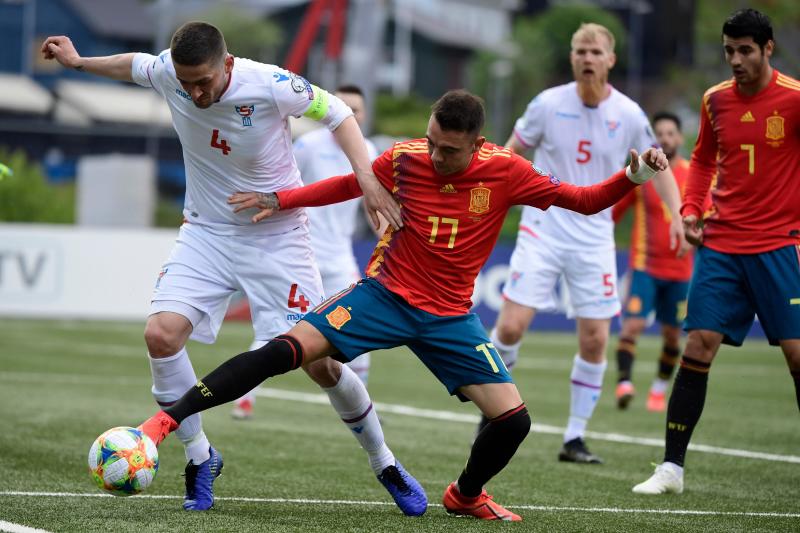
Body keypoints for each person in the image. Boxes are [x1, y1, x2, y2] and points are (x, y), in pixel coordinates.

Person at [137, 89, 668, 521]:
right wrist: (281, 199)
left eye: (450, 150)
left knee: (513, 421)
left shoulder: (507, 171)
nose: (436, 156)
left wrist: (633, 176)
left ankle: (464, 493)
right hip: (383, 296)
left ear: (477, 144)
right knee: (286, 349)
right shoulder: (408, 158)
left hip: (451, 317)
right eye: (433, 142)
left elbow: (584, 200)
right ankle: (168, 422)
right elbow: (349, 184)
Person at [40, 22, 414, 514]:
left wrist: (366, 177)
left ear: (228, 64)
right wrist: (80, 62)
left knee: (320, 362)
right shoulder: (169, 72)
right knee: (161, 336)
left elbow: (339, 112)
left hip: (277, 235)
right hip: (206, 233)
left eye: (205, 82)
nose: (195, 92)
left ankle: (384, 462)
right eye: (186, 82)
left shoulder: (270, 83)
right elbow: (132, 65)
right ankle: (200, 457)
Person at [486, 22, 686, 464]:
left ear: (611, 60)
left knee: (596, 339)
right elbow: (509, 153)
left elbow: (661, 166)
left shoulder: (630, 114)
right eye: (580, 51)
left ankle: (574, 437)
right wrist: (485, 196)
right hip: (543, 227)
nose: (587, 58)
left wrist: (676, 214)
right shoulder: (546, 104)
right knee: (512, 327)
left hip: (595, 236)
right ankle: (492, 408)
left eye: (596, 51)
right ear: (572, 58)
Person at [633, 8, 800, 495]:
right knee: (698, 345)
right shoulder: (714, 101)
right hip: (722, 243)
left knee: (796, 356)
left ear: (768, 49)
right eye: (729, 50)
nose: (735, 59)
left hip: (778, 245)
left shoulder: (793, 100)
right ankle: (671, 469)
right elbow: (703, 158)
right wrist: (689, 209)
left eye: (745, 50)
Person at [231, 85, 381, 419]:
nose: (352, 115)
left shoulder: (367, 151)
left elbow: (375, 205)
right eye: (346, 108)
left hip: (341, 256)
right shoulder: (309, 146)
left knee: (360, 326)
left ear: (365, 114)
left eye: (357, 109)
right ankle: (245, 398)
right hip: (303, 254)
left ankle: (363, 406)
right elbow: (280, 186)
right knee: (283, 329)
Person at [613, 112, 698, 412]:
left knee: (673, 336)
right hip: (644, 266)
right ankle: (624, 383)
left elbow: (707, 217)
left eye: (670, 133)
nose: (665, 138)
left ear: (680, 138)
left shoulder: (695, 176)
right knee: (632, 326)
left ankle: (659, 390)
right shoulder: (641, 173)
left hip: (681, 271)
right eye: (659, 133)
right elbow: (614, 210)